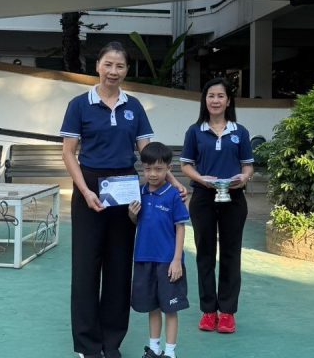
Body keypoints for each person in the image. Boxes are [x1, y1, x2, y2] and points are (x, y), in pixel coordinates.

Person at [60, 42, 186, 358]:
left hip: (126, 190)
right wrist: (85, 191)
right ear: (97, 66)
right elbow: (68, 152)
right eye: (108, 64)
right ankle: (88, 345)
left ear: (127, 70)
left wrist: (173, 181)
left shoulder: (134, 106)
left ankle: (111, 341)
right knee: (86, 267)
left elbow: (149, 153)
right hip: (89, 187)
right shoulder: (79, 104)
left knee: (118, 267)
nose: (113, 71)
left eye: (120, 66)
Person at [180, 77, 254, 334]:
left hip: (234, 199)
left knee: (231, 254)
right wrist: (203, 179)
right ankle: (209, 311)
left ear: (228, 101)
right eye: (211, 96)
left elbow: (247, 166)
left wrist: (243, 178)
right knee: (205, 253)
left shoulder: (240, 132)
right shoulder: (195, 131)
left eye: (220, 96)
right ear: (205, 100)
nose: (215, 100)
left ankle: (228, 312)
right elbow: (185, 165)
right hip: (203, 198)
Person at [128, 142, 190, 358]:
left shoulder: (174, 195)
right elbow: (136, 222)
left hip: (167, 262)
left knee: (170, 309)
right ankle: (154, 349)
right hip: (144, 258)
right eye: (147, 169)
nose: (152, 174)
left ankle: (170, 352)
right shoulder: (139, 193)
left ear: (168, 169)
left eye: (158, 169)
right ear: (142, 168)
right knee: (152, 306)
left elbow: (180, 228)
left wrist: (177, 260)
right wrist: (132, 214)